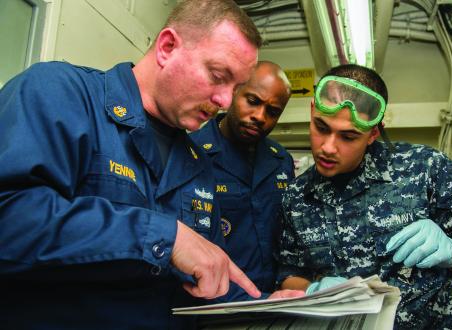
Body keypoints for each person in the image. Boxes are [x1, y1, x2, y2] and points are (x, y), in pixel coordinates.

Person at [0, 1, 263, 329]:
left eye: (235, 88)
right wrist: (165, 237)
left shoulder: (199, 164)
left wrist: (265, 305)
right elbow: (10, 219)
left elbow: (208, 275)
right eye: (217, 76)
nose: (225, 101)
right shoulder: (62, 95)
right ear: (167, 47)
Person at [276, 64, 452, 329]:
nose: (327, 147)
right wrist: (314, 289)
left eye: (348, 137)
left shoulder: (426, 168)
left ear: (373, 133)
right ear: (313, 110)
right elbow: (288, 272)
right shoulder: (297, 197)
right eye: (321, 127)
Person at [190, 61, 296, 300]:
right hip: (216, 303)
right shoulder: (192, 153)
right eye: (253, 101)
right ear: (234, 91)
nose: (260, 116)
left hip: (275, 301)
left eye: (273, 111)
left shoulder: (281, 161)